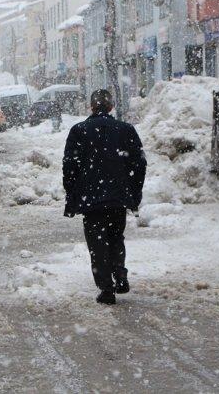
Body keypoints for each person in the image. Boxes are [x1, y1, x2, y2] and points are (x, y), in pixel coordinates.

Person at [62, 89, 146, 305]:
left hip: (91, 200)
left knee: (97, 242)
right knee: (116, 236)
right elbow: (139, 164)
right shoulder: (126, 130)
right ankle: (119, 273)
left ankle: (106, 288)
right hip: (118, 197)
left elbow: (69, 165)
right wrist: (134, 193)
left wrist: (72, 192)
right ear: (111, 107)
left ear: (92, 107)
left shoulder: (79, 131)